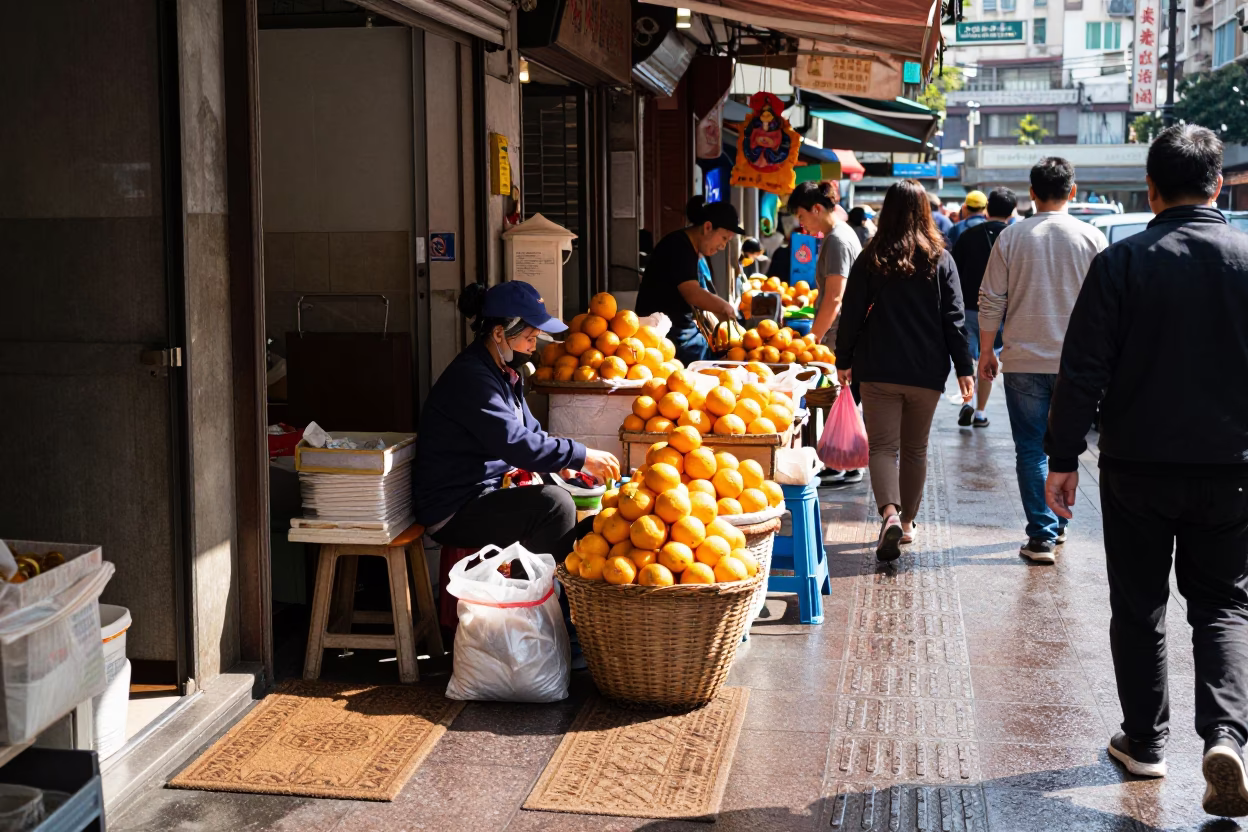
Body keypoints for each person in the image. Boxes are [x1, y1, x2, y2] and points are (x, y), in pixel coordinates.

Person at [1044, 125, 1248, 814]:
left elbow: (1084, 371)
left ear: (1152, 189)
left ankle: (1145, 741)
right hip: (1233, 468)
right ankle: (1226, 736)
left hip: (1136, 465)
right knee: (1224, 604)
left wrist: (1063, 456)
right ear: (1217, 183)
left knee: (1140, 606)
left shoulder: (1123, 262)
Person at [412, 281, 621, 558]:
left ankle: (554, 590)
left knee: (576, 511)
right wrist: (580, 455)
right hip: (454, 508)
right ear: (499, 333)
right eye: (530, 337)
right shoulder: (473, 378)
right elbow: (516, 444)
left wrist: (563, 466)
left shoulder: (503, 372)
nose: (533, 347)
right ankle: (541, 598)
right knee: (554, 505)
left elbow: (531, 431)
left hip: (486, 490)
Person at [835, 180, 974, 561]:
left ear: (888, 210)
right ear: (924, 213)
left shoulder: (871, 256)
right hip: (927, 370)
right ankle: (909, 522)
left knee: (882, 447)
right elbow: (955, 320)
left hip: (877, 366)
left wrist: (843, 359)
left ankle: (889, 515)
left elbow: (850, 314)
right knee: (915, 449)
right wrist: (965, 367)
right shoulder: (941, 259)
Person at [978, 157, 1107, 564]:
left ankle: (1042, 536)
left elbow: (991, 298)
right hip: (1079, 365)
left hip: (1023, 359)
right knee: (1068, 445)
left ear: (1031, 193)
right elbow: (1108, 306)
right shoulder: (1093, 238)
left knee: (1030, 450)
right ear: (1072, 191)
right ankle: (1059, 521)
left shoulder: (1012, 237)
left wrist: (985, 349)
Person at [790, 180, 865, 485]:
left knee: (843, 397)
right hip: (844, 330)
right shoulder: (837, 235)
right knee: (843, 398)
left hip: (844, 332)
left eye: (803, 217)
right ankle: (843, 461)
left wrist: (813, 337)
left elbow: (835, 296)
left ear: (817, 209)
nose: (803, 224)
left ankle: (845, 463)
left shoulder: (836, 239)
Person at [636, 198, 742, 364]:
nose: (723, 246)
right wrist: (724, 307)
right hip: (665, 335)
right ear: (708, 227)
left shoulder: (689, 248)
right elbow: (692, 293)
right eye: (723, 238)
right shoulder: (679, 246)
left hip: (677, 330)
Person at [951, 187, 1015, 428]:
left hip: (967, 306)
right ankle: (980, 412)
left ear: (989, 208)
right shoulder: (1013, 236)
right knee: (989, 360)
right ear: (1011, 211)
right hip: (1001, 310)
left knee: (968, 358)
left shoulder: (968, 235)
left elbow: (953, 274)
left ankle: (966, 401)